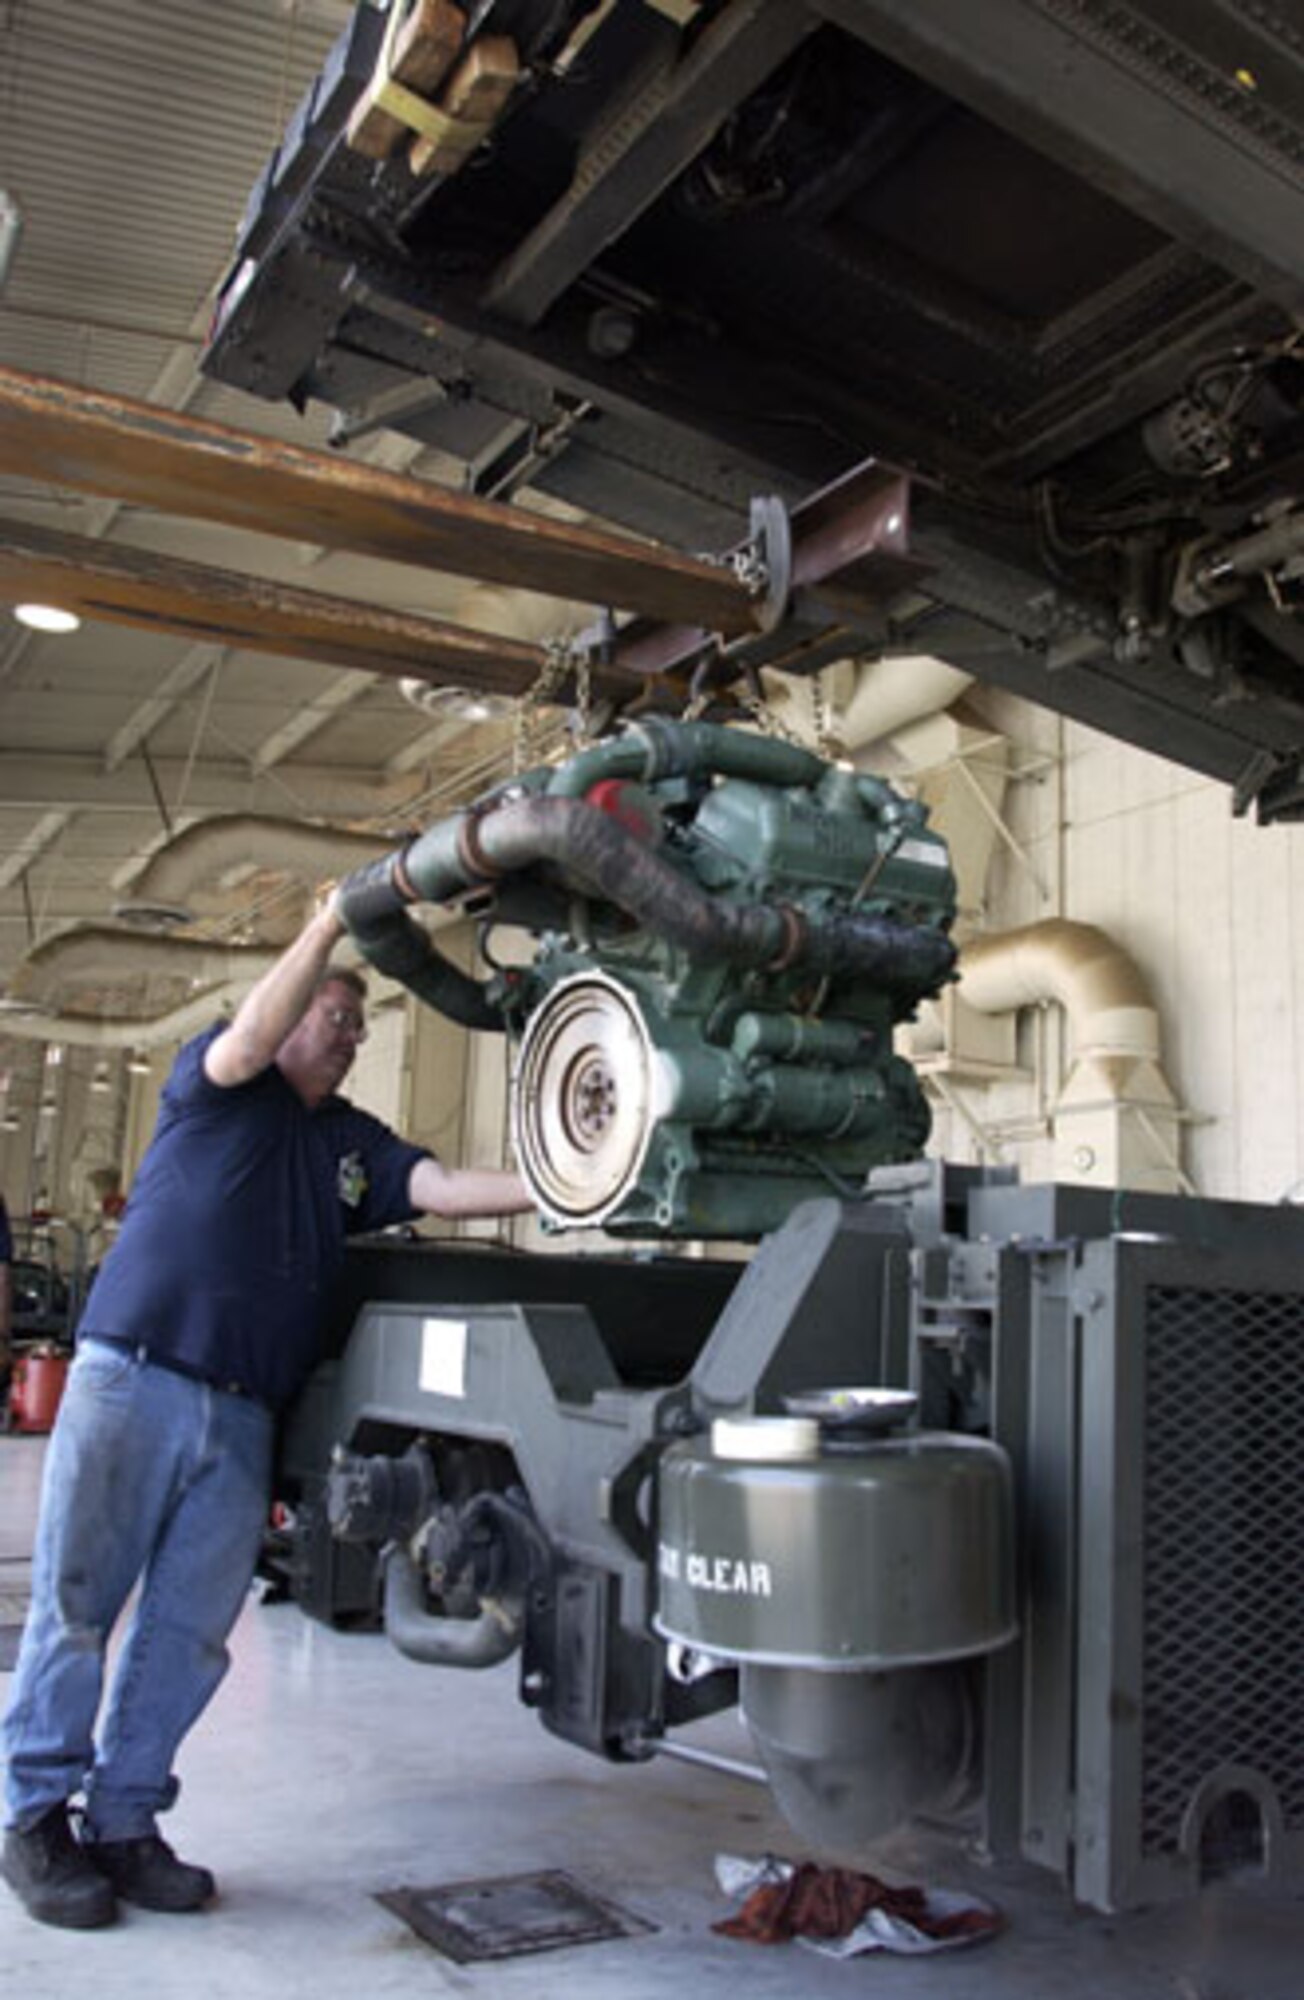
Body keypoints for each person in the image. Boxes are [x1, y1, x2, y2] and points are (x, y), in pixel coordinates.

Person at [0, 898, 533, 1930]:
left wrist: (573, 1178)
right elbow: (251, 1033)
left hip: (241, 1413)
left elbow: (445, 1183)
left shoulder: (349, 1142)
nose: (352, 1032)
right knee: (79, 1602)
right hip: (135, 1377)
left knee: (190, 1633)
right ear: (290, 1011)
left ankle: (123, 1820)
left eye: (359, 1024)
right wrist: (326, 929)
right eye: (338, 1014)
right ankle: (31, 1819)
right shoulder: (218, 1086)